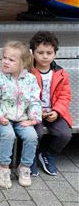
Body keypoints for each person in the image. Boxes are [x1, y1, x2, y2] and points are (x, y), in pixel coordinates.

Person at [0, 41, 41, 189]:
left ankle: (24, 167)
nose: (5, 61)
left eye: (11, 59)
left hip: (23, 118)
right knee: (8, 135)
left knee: (31, 136)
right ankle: (3, 167)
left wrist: (33, 119)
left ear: (22, 64)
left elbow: (35, 100)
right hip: (4, 118)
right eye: (4, 57)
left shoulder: (30, 80)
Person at [29, 31, 72, 177]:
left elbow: (65, 96)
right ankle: (31, 157)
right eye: (40, 52)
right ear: (32, 53)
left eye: (49, 52)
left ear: (55, 53)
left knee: (65, 134)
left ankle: (48, 155)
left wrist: (57, 111)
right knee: (36, 133)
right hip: (34, 112)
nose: (45, 56)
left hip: (53, 112)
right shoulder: (28, 73)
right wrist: (36, 111)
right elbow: (23, 95)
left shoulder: (61, 73)